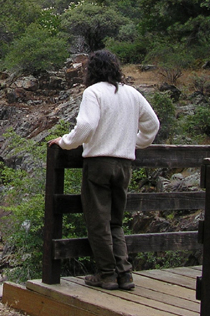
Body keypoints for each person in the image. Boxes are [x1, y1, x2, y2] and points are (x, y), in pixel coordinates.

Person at [49, 50, 159, 291]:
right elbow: (153, 124)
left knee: (98, 222)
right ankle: (125, 274)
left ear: (92, 70)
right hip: (124, 164)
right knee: (115, 222)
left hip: (99, 164)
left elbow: (87, 125)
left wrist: (66, 142)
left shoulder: (94, 92)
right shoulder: (132, 93)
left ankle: (107, 275)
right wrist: (135, 141)